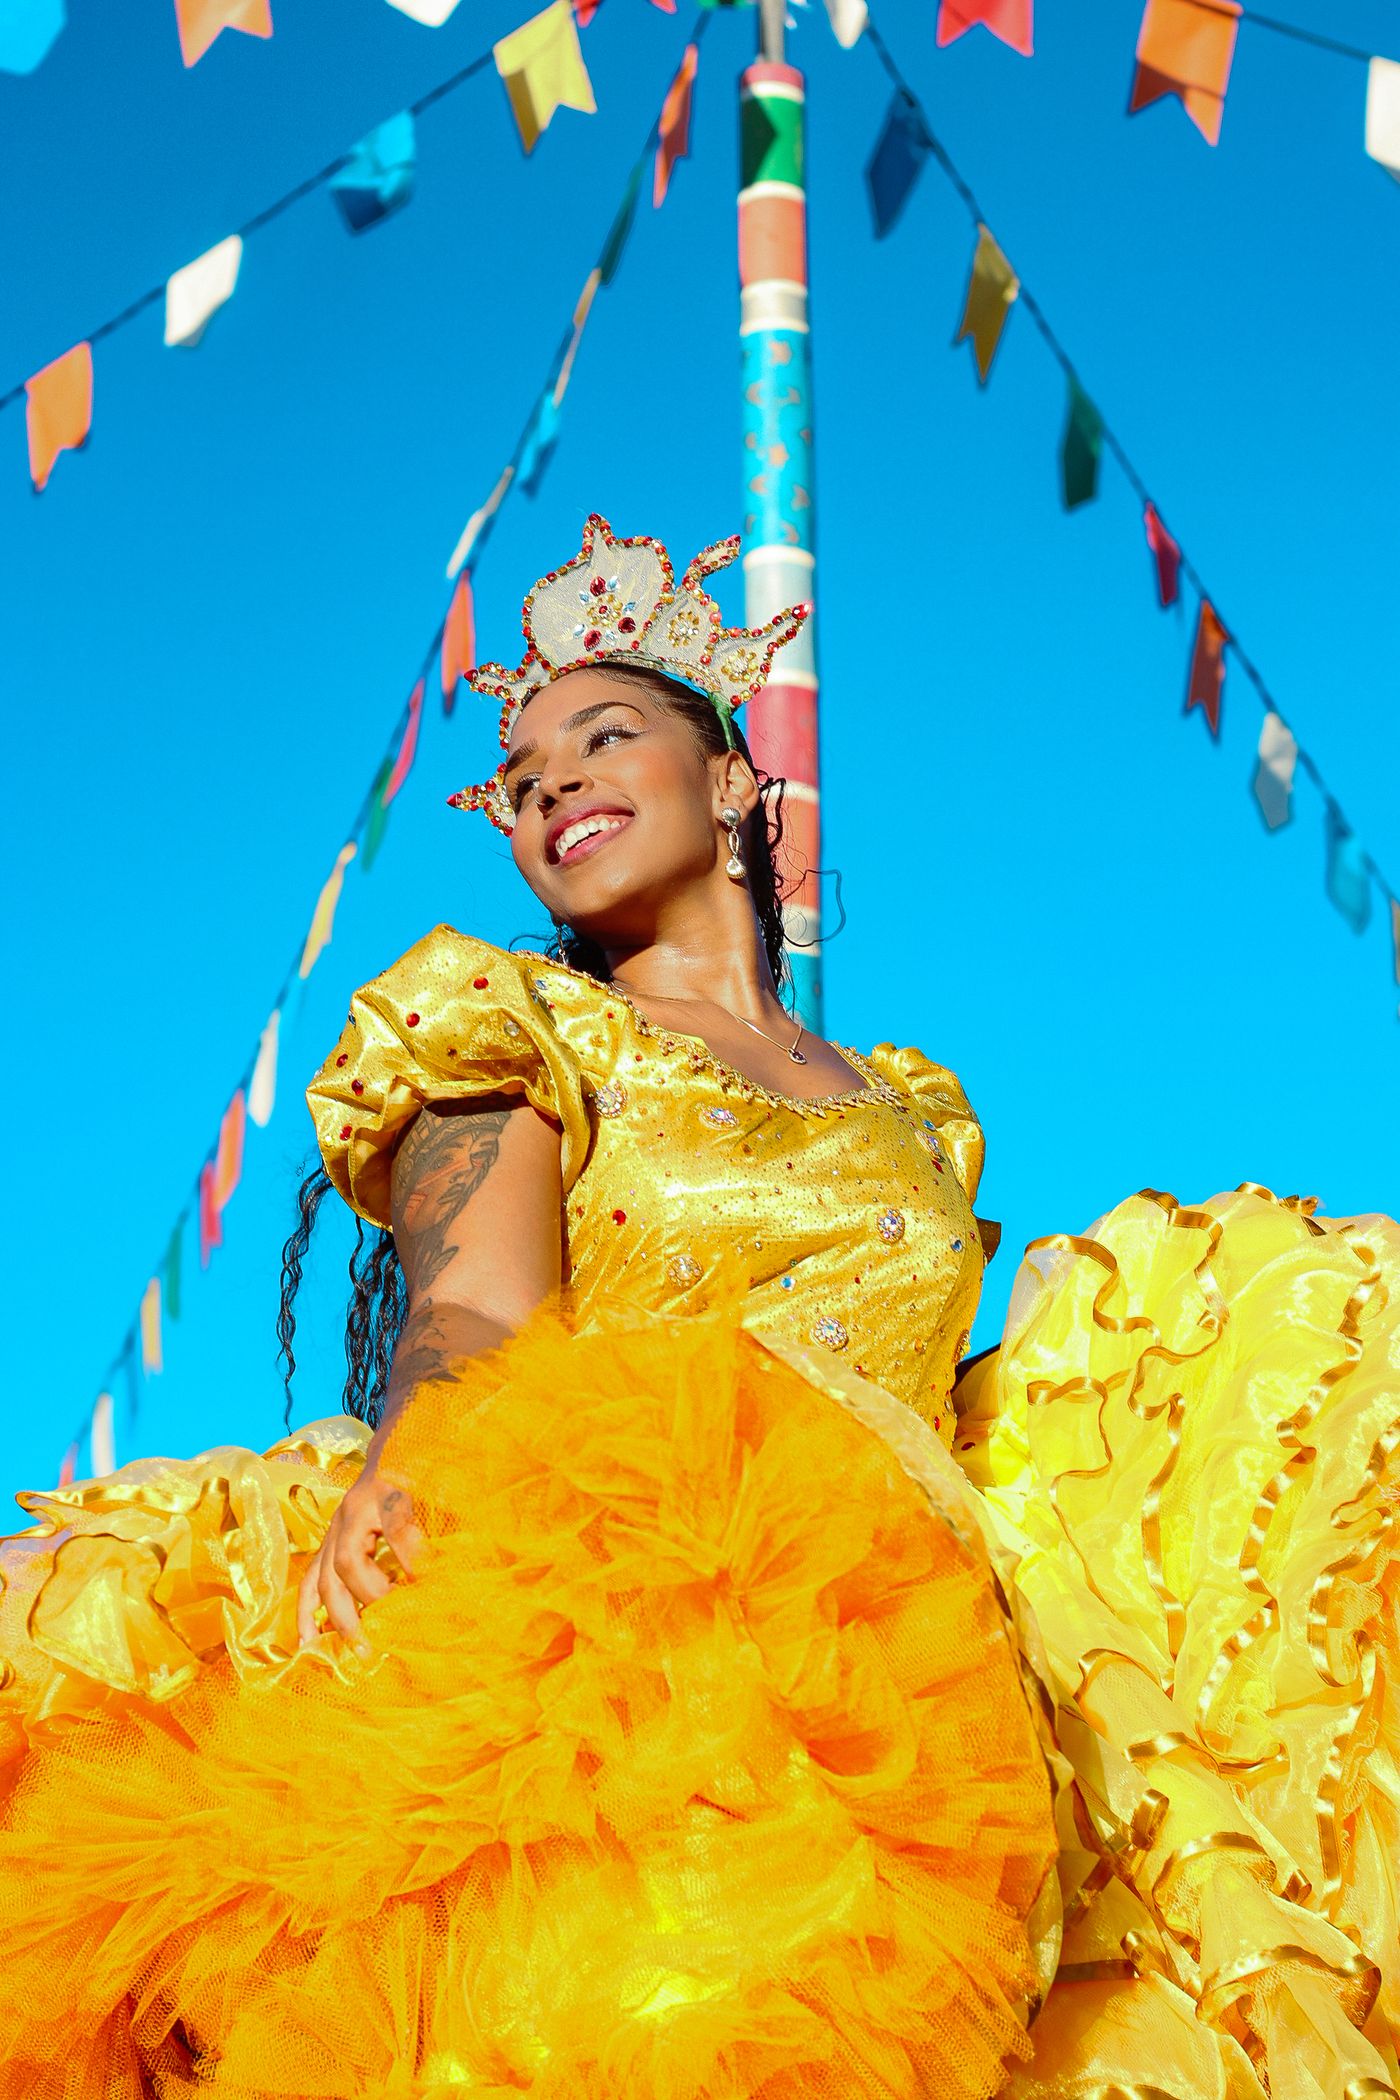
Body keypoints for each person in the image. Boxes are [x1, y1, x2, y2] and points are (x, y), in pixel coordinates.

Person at [0, 515, 1394, 2100]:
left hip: (932, 1661)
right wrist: (408, 1469)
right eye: (521, 782)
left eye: (604, 737)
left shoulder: (914, 1110)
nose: (552, 788)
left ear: (732, 780)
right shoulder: (512, 1025)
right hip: (633, 1629)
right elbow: (476, 1309)